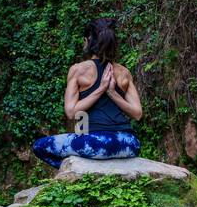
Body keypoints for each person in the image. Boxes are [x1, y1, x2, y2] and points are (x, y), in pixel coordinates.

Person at [31, 18, 143, 168]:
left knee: (39, 146)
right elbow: (137, 113)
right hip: (128, 144)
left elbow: (71, 112)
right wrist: (111, 92)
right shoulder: (124, 72)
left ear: (88, 41)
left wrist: (103, 90)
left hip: (94, 143)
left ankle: (76, 170)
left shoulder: (78, 70)